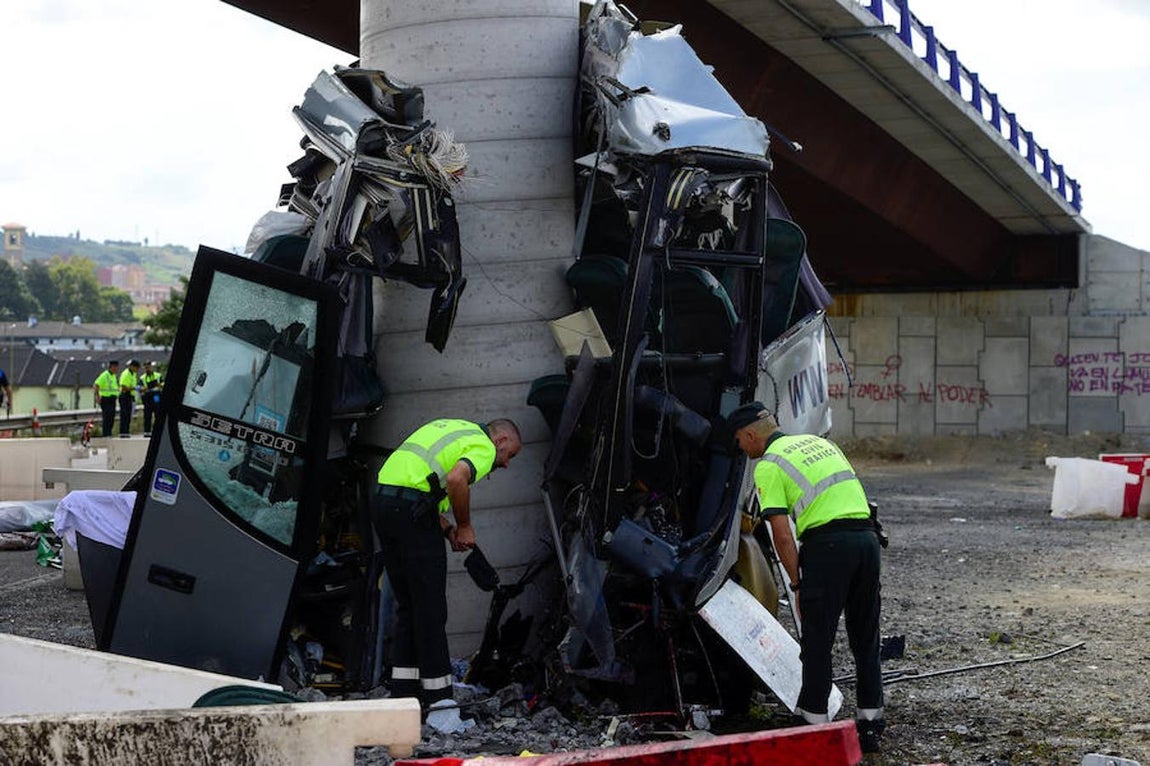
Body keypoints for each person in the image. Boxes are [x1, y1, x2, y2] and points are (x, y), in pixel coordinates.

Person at [728, 401, 886, 753]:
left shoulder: (768, 466)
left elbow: (782, 535)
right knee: (865, 637)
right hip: (867, 541)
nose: (740, 449)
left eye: (739, 441)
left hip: (829, 547)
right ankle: (871, 724)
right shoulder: (821, 444)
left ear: (751, 435)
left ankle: (813, 725)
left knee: (817, 642)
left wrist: (797, 583)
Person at [371, 417, 522, 709]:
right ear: (500, 441)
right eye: (510, 455)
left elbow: (421, 492)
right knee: (430, 609)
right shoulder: (483, 445)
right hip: (409, 511)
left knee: (409, 606)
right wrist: (464, 525)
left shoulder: (453, 429)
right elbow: (456, 479)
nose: (505, 464)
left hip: (384, 503)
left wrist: (448, 530)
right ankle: (440, 704)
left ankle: (405, 697)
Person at [93, 360, 120, 437]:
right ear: (111, 367)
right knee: (107, 417)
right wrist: (97, 396)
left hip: (112, 399)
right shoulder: (105, 375)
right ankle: (106, 434)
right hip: (106, 399)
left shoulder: (113, 376)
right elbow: (96, 385)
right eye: (115, 367)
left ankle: (109, 433)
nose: (116, 369)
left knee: (111, 417)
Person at [118, 359, 141, 437]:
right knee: (124, 414)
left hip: (130, 396)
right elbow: (124, 387)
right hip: (124, 395)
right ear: (132, 367)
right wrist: (134, 388)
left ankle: (126, 431)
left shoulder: (133, 374)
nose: (137, 370)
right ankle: (123, 432)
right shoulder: (126, 374)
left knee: (128, 415)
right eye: (136, 368)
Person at [140, 361, 163, 436]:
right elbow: (138, 388)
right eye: (146, 368)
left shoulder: (158, 375)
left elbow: (163, 383)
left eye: (149, 367)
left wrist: (159, 385)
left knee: (157, 412)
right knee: (147, 414)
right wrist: (144, 388)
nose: (147, 369)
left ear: (151, 367)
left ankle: (158, 430)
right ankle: (147, 431)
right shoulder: (142, 377)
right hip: (147, 396)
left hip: (156, 395)